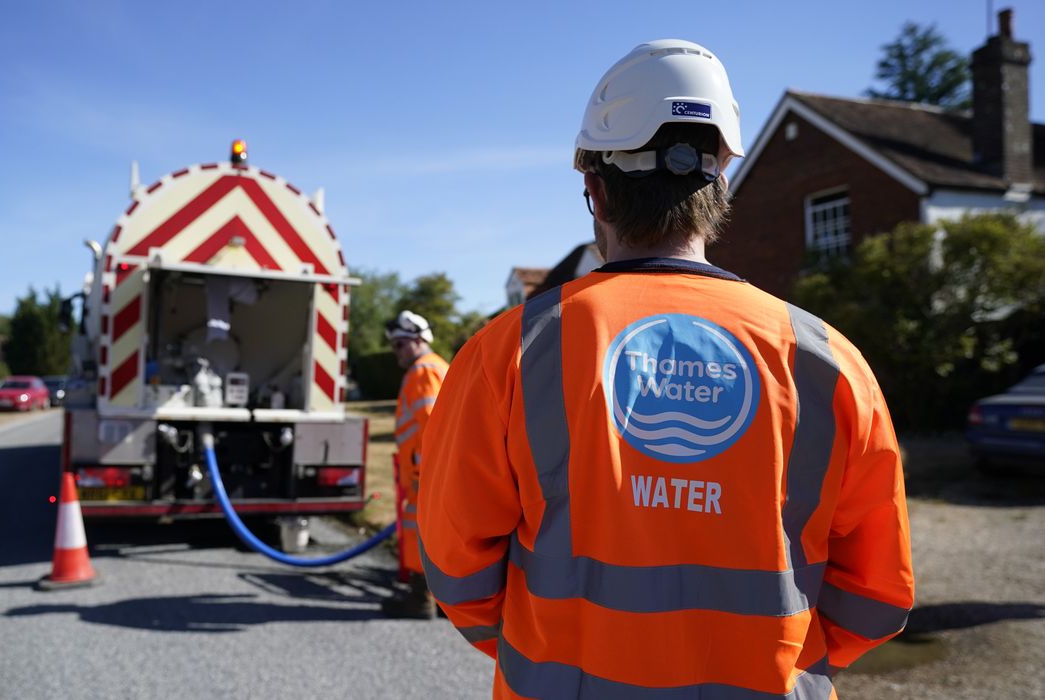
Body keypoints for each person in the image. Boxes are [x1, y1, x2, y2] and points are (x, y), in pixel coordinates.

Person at [417, 39, 913, 697]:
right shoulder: (825, 359)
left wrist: (549, 650)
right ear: (722, 184)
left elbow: (456, 569)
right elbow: (878, 596)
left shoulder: (510, 351)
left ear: (593, 189)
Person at [381, 310, 450, 619]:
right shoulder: (432, 368)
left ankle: (422, 599)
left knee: (423, 532)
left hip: (427, 473)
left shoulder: (424, 372)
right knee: (433, 532)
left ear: (420, 340)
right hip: (429, 471)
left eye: (400, 345)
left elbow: (434, 427)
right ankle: (440, 600)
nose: (396, 353)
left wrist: (427, 473)